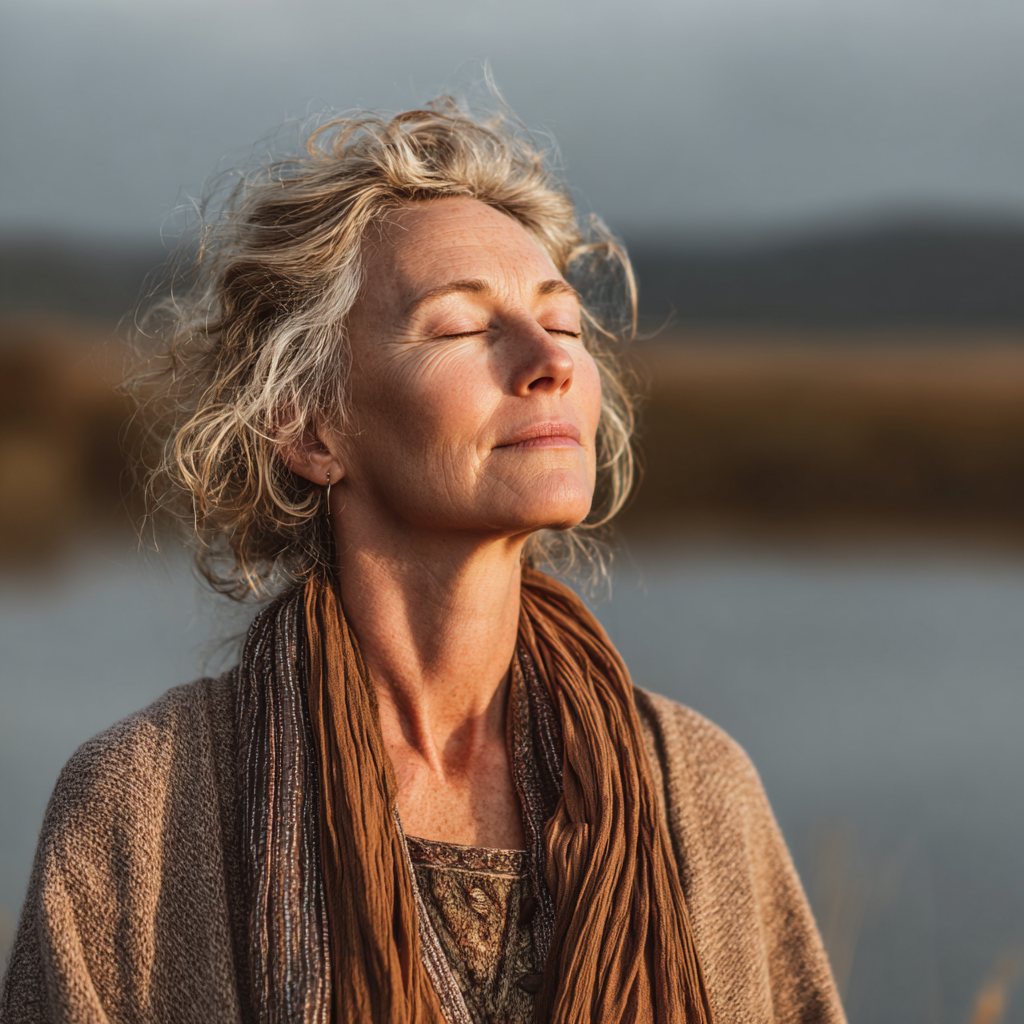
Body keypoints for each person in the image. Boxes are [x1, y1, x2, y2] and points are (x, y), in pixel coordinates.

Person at [0, 99, 845, 1024]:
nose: (548, 362)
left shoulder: (695, 787)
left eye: (561, 324)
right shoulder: (146, 806)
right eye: (459, 328)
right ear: (310, 426)